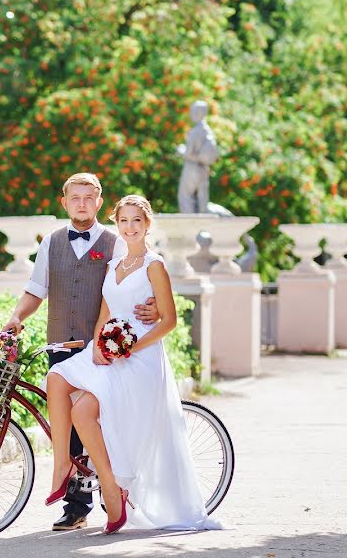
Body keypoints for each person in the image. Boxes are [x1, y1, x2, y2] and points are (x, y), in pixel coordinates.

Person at [46, 195, 222, 533]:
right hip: (109, 350)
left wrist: (129, 347)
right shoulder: (114, 265)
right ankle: (61, 465)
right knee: (56, 376)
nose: (130, 227)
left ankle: (112, 490)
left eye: (136, 221)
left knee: (82, 412)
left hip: (140, 356)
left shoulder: (154, 265)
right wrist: (99, 345)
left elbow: (168, 321)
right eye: (124, 221)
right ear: (117, 223)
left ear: (147, 225)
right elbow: (105, 313)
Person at [3, 173, 159, 531]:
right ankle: (77, 506)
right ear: (64, 203)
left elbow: (135, 275)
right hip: (61, 343)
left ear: (100, 203)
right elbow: (35, 289)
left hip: (99, 349)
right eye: (76, 198)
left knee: (100, 419)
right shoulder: (52, 242)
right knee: (70, 426)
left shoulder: (114, 241)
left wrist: (152, 305)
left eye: (89, 197)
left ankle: (113, 493)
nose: (82, 203)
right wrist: (15, 316)